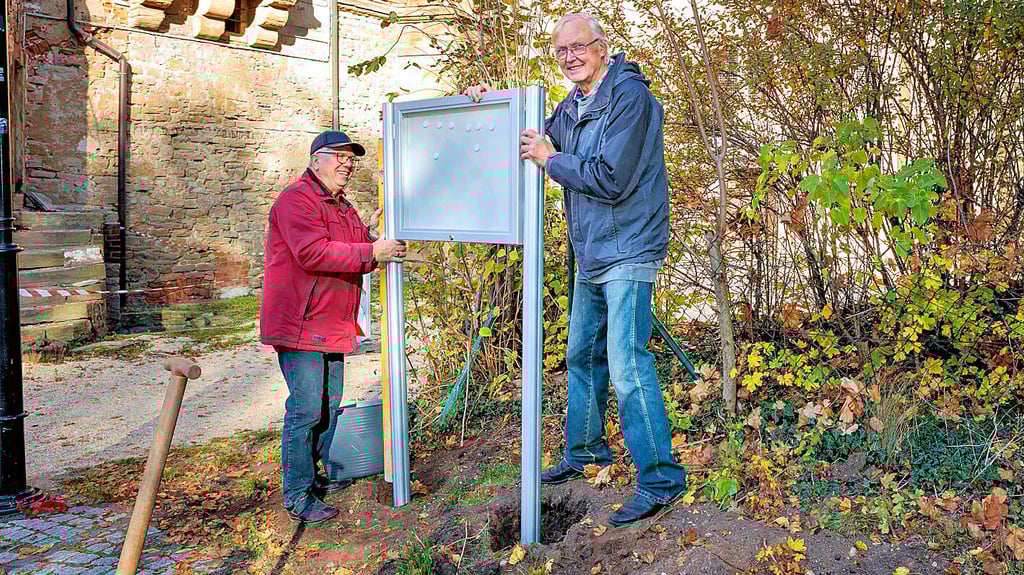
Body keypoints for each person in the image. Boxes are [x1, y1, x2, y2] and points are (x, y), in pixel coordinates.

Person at [465, 13, 686, 526]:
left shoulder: (630, 99)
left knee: (628, 365)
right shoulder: (577, 104)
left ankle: (660, 479)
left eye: (578, 47)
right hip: (593, 252)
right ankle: (586, 451)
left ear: (602, 48)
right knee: (582, 354)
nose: (569, 57)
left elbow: (610, 178)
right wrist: (492, 104)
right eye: (560, 49)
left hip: (629, 249)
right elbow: (533, 136)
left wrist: (550, 160)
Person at [260, 130, 406, 524]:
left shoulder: (342, 207)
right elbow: (312, 252)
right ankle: (297, 494)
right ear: (315, 160)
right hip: (300, 323)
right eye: (338, 156)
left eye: (350, 158)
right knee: (306, 409)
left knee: (328, 407)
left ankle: (314, 478)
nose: (346, 163)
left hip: (329, 324)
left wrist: (373, 238)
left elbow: (360, 252)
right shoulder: (296, 200)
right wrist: (371, 249)